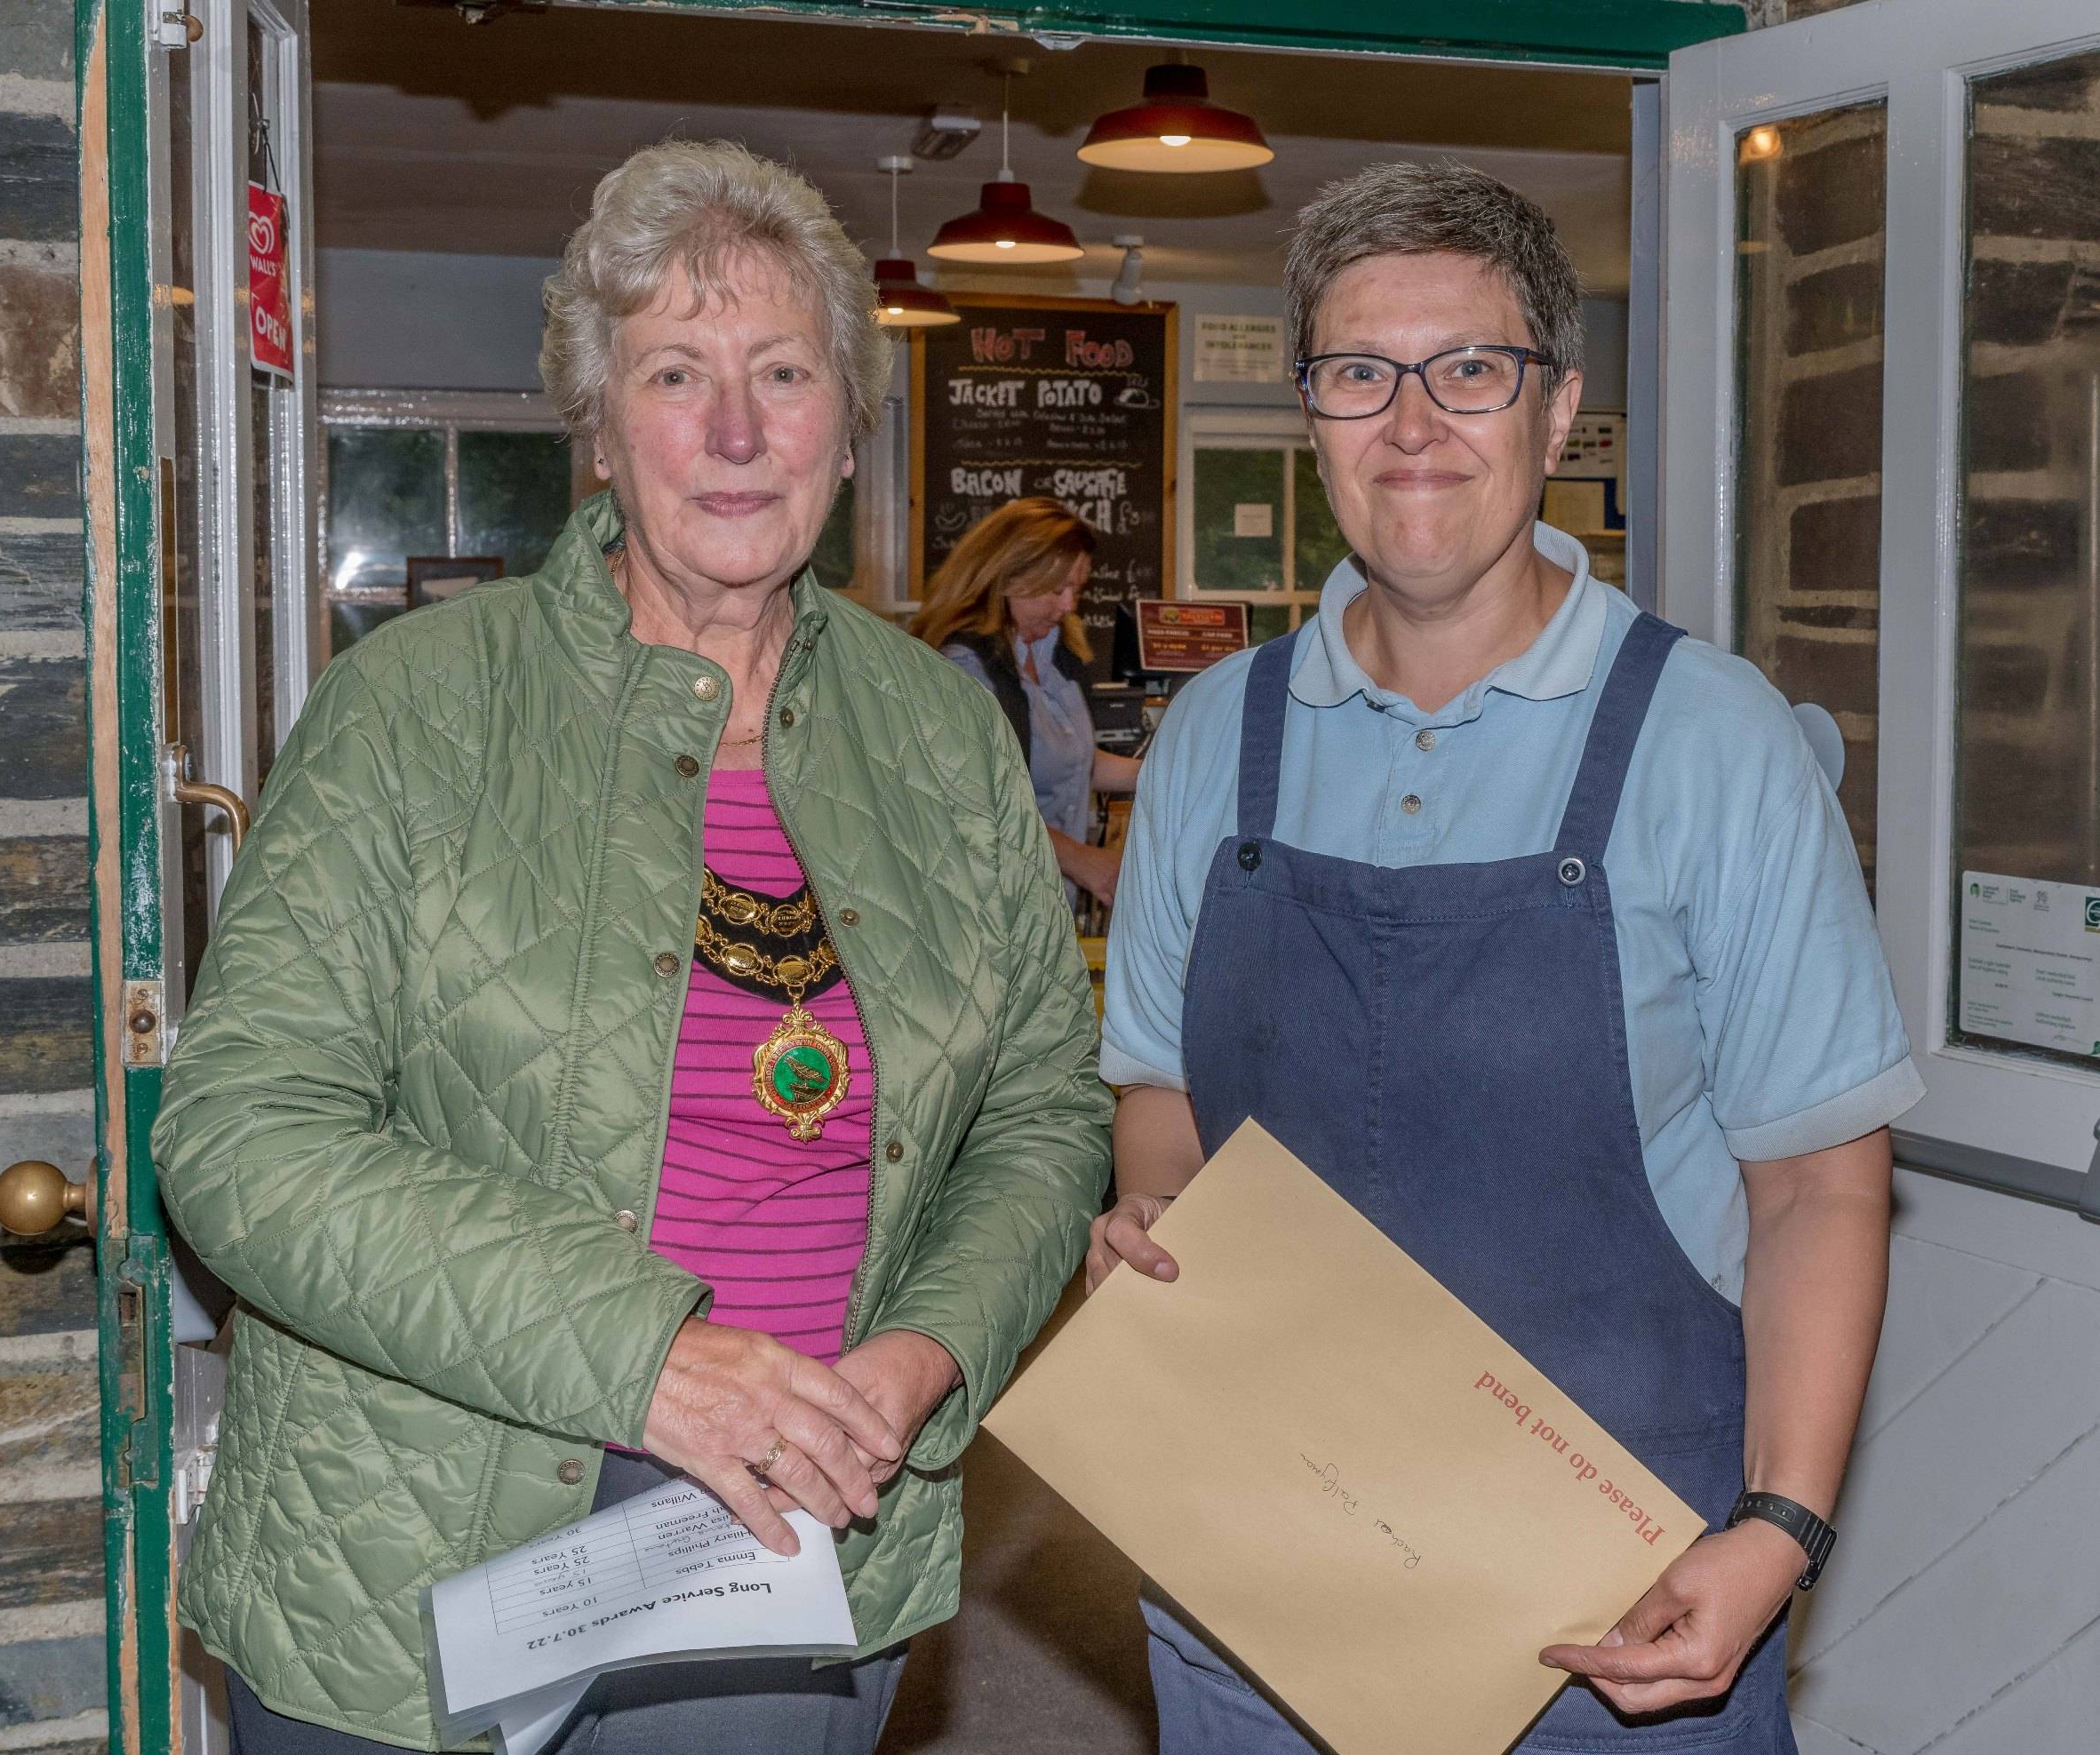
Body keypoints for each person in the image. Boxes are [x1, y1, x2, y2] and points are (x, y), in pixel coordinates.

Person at [152, 140, 1110, 1755]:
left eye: (782, 373)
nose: (734, 434)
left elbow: (1039, 1110)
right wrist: (648, 1360)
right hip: (421, 1539)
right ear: (600, 426)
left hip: (794, 1532)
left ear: (847, 424)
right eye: (676, 373)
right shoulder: (417, 710)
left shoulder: (937, 740)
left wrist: (922, 1353)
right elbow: (242, 1138)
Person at [1088, 162, 1918, 1752]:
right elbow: (1159, 1097)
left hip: (1614, 1585)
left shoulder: (1708, 738)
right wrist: (1155, 1225)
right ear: (1311, 415)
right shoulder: (1213, 738)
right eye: (1355, 375)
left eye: (1467, 368)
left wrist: (1777, 1529)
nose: (1410, 424)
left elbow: (1818, 1180)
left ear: (1553, 412)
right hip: (1266, 1550)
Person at [910, 498, 1140, 905]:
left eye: (1076, 589)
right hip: (980, 909)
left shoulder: (1055, 655)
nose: (1069, 605)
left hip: (1042, 907)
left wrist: (1163, 772)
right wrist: (1082, 860)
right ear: (1006, 578)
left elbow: (1067, 761)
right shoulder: (963, 669)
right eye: (1056, 589)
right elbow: (973, 799)